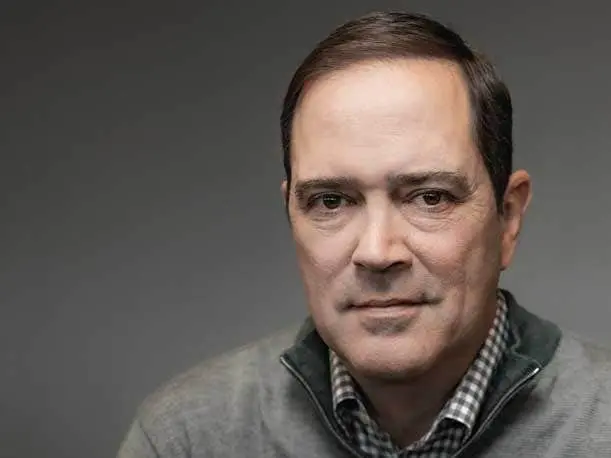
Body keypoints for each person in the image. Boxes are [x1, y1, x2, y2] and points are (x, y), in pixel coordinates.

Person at [117, 10, 611, 458]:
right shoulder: (185, 440)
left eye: (429, 197)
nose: (377, 252)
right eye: (331, 201)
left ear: (508, 218)